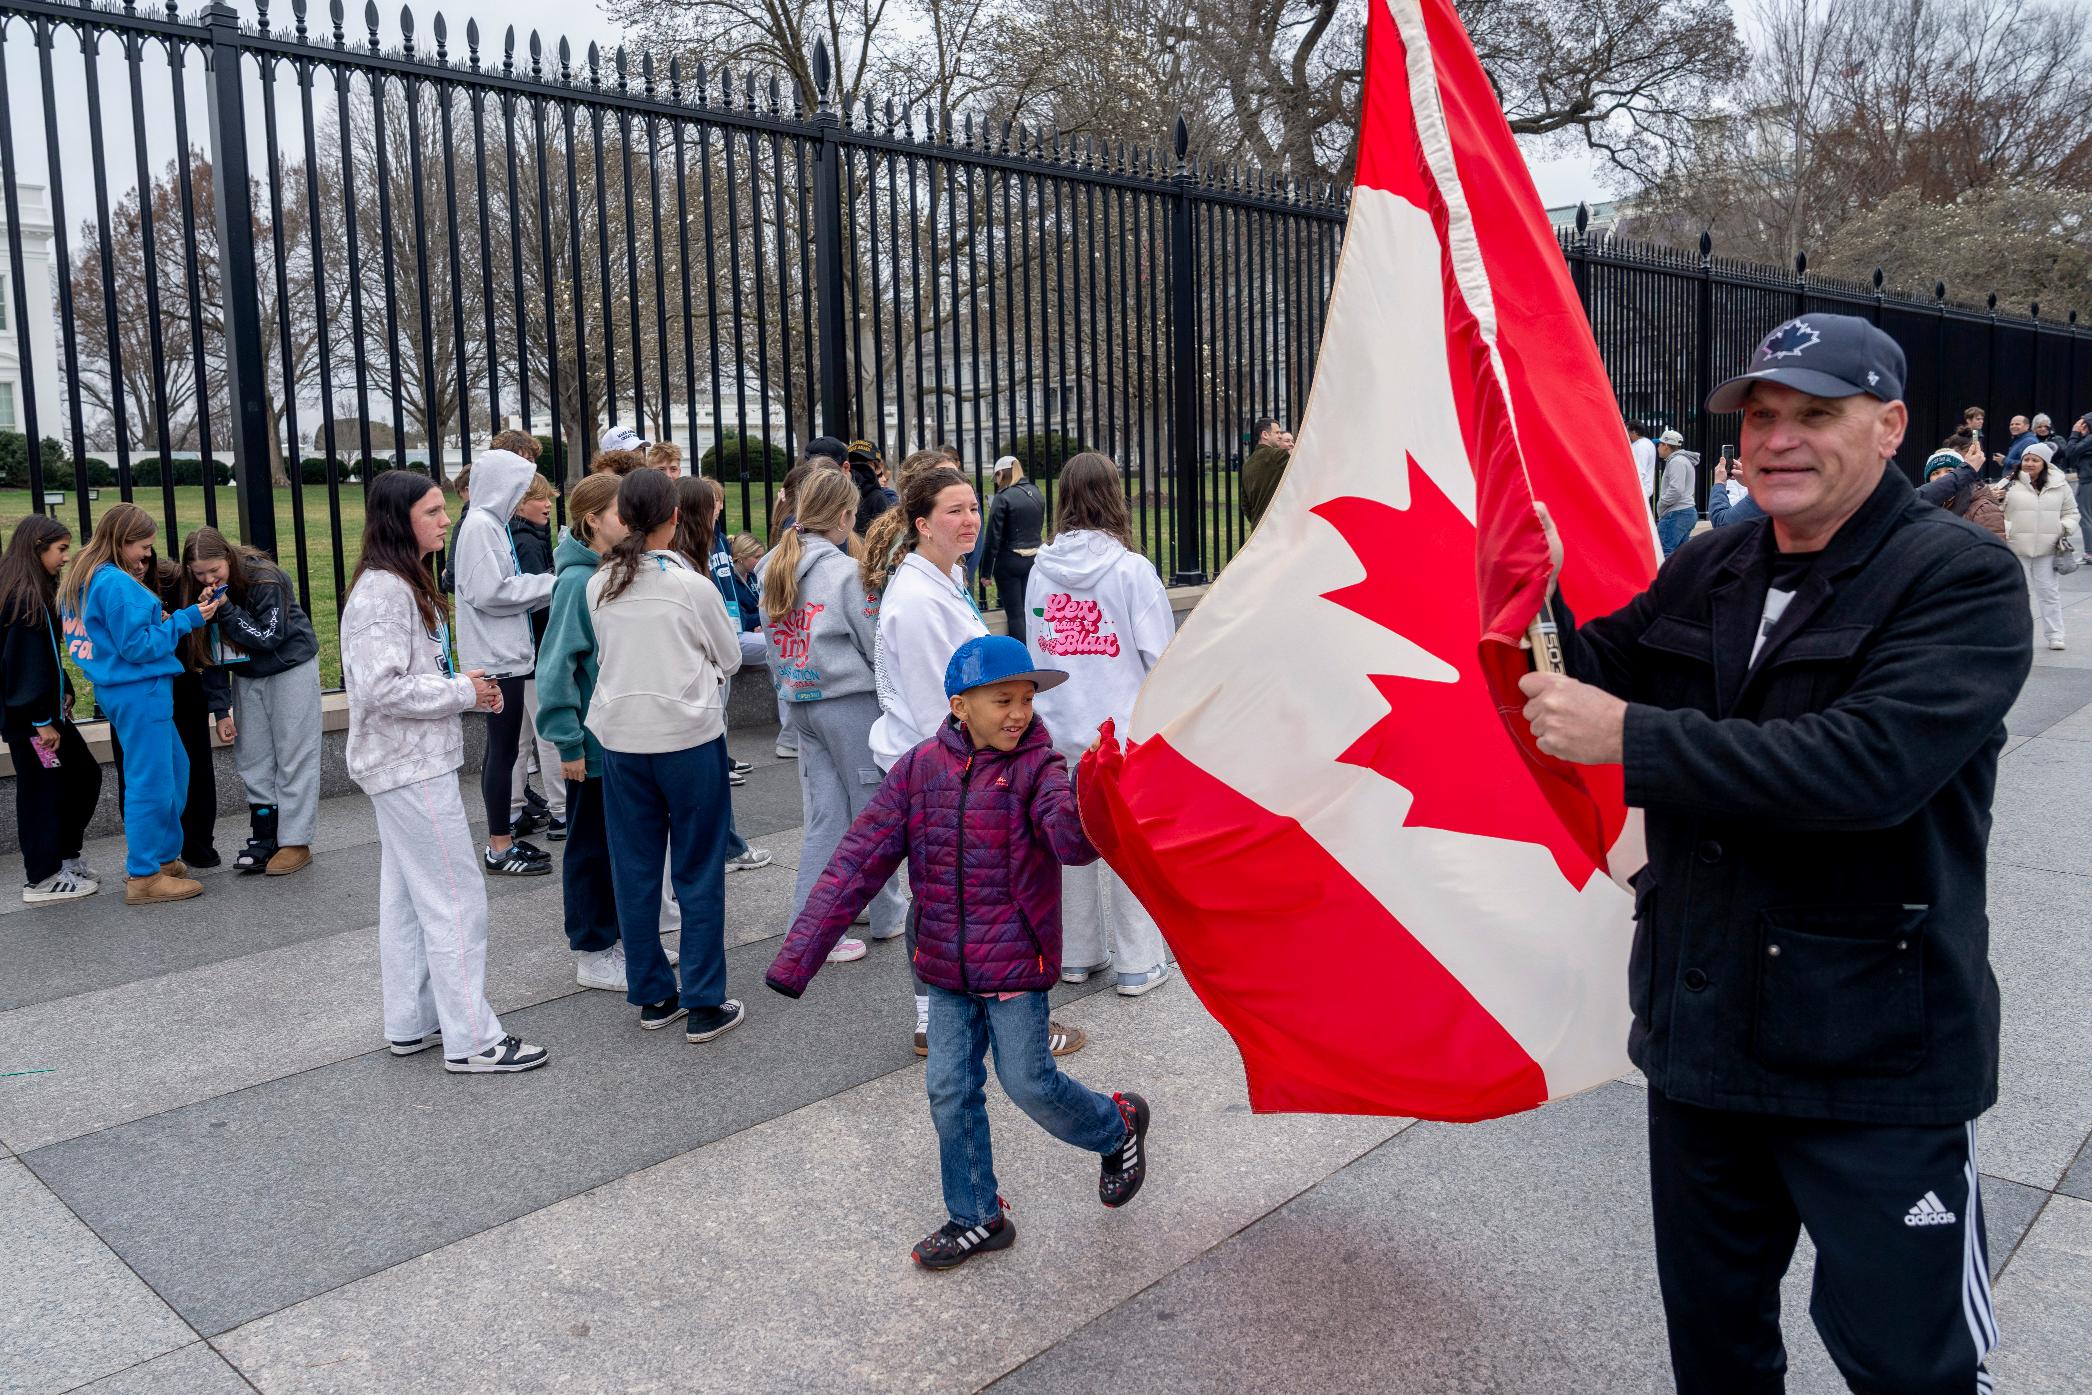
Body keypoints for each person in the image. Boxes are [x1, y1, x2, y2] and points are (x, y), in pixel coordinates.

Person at [1519, 311, 2024, 1395]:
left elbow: (1866, 769)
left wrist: (1632, 741)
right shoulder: (1716, 559)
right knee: (1717, 1354)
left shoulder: (1960, 576)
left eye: (1814, 414)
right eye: (1758, 416)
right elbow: (1601, 666)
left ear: (1889, 426)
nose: (1776, 439)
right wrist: (1533, 596)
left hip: (1872, 1056)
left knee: (1914, 1367)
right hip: (1702, 1044)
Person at [766, 634, 1151, 1270]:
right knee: (949, 1090)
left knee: (1028, 1082)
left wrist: (1095, 795)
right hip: (944, 967)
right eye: (1004, 700)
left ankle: (1117, 1127)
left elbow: (1071, 843)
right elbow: (857, 861)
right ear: (959, 705)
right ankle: (977, 1216)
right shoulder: (919, 770)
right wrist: (797, 957)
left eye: (1027, 699)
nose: (1020, 713)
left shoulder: (1041, 768)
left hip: (1014, 965)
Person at [865, 465, 1088, 1058]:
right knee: (945, 896)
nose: (969, 521)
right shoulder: (913, 601)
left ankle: (975, 1018)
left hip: (971, 761)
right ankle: (936, 1019)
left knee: (972, 895)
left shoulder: (946, 576)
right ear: (921, 523)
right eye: (954, 512)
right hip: (942, 769)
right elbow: (927, 703)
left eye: (972, 508)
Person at [341, 470, 549, 1074]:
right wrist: (465, 690)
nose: (444, 519)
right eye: (431, 511)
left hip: (405, 760)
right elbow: (382, 688)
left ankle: (413, 1021)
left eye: (441, 508)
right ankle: (473, 1038)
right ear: (398, 521)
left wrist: (458, 690)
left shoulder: (396, 584)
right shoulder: (384, 592)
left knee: (408, 898)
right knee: (456, 898)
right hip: (408, 764)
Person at [587, 468, 748, 1043]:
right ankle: (704, 998)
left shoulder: (599, 584)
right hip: (687, 737)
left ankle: (653, 993)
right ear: (675, 517)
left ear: (624, 518)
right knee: (698, 867)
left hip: (622, 740)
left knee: (634, 868)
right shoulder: (691, 586)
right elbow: (729, 656)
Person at [1026, 453, 1177, 996]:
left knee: (1071, 840)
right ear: (1115, 495)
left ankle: (1077, 953)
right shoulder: (1132, 571)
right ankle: (1139, 962)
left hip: (1058, 725)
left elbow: (1037, 648)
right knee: (1126, 844)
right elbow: (1160, 655)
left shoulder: (1039, 572)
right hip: (1119, 731)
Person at [761, 466, 903, 965]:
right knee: (873, 816)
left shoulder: (774, 564)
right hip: (849, 705)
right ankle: (886, 914)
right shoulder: (845, 575)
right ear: (845, 517)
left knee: (828, 815)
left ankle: (812, 922)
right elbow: (875, 648)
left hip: (801, 701)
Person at [57, 504, 221, 905]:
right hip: (140, 689)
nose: (147, 554)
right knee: (152, 782)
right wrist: (184, 619)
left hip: (121, 689)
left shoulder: (86, 574)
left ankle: (163, 858)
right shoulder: (115, 583)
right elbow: (138, 647)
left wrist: (157, 622)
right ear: (121, 541)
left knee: (174, 769)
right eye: (142, 546)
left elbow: (112, 636)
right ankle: (144, 874)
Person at [533, 471, 656, 993]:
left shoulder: (610, 572)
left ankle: (620, 939)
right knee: (589, 848)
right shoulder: (575, 583)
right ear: (592, 520)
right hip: (593, 745)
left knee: (621, 845)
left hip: (622, 737)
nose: (631, 523)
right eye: (620, 514)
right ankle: (592, 948)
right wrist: (567, 739)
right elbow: (555, 666)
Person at [178, 527, 322, 876]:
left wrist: (225, 609)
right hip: (247, 674)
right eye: (200, 574)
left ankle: (295, 840)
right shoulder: (198, 591)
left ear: (228, 558)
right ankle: (264, 836)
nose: (209, 579)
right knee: (253, 755)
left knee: (294, 753)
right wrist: (219, 708)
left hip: (290, 666)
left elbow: (268, 637)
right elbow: (209, 653)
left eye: (215, 570)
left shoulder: (266, 579)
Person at [452, 447, 557, 876]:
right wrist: (551, 583)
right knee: (502, 752)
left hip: (505, 654)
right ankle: (499, 846)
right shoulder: (480, 525)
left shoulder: (489, 523)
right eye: (517, 486)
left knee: (506, 749)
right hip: (495, 658)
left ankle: (504, 838)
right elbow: (489, 592)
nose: (522, 495)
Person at [1, 516, 102, 903]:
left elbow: (40, 659)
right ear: (38, 547)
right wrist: (42, 720)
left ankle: (62, 858)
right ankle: (42, 878)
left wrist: (61, 692)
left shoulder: (27, 589)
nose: (66, 557)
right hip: (34, 723)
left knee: (81, 776)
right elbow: (25, 665)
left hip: (42, 716)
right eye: (61, 549)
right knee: (41, 790)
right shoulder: (24, 596)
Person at [505, 469, 564, 841]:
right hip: (536, 649)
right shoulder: (526, 541)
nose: (548, 504)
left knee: (520, 739)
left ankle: (511, 811)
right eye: (539, 498)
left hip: (522, 652)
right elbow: (536, 599)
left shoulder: (519, 536)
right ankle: (562, 811)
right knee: (549, 735)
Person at [2001, 439, 2079, 651]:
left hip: (2048, 548)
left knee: (2049, 593)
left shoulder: (2060, 485)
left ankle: (2056, 634)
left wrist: (2062, 528)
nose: (2029, 463)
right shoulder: (2009, 482)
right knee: (2018, 595)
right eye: (2026, 459)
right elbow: (1994, 510)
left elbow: (2072, 513)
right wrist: (2007, 529)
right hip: (2016, 548)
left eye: (2035, 460)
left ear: (2045, 463)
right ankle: (2016, 636)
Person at [976, 454, 1046, 645]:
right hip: (1033, 559)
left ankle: (1022, 659)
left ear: (1000, 474)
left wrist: (985, 572)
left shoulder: (1003, 497)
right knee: (1030, 611)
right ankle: (1036, 650)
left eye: (996, 478)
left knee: (1015, 614)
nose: (996, 483)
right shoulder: (1035, 491)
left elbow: (993, 538)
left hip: (1009, 562)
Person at [1919, 431, 2006, 542]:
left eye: (1950, 471)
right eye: (1935, 473)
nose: (1942, 477)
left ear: (1962, 475)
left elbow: (1993, 555)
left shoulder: (1983, 509)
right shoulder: (1925, 507)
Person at [1239, 417, 1295, 529]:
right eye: (1277, 432)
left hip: (1258, 528)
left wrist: (1257, 520)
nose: (1280, 436)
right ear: (1265, 434)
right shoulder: (1275, 456)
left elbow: (1245, 504)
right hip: (1277, 527)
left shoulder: (1247, 464)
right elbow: (1300, 453)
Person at [1653, 429, 1699, 556]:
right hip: (1685, 512)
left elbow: (1676, 489)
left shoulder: (1676, 461)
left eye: (1660, 444)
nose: (1658, 448)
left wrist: (1661, 503)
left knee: (1663, 553)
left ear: (1666, 446)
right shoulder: (1683, 460)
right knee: (1679, 556)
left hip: (1676, 513)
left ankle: (1665, 577)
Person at [849, 438, 898, 536]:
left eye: (864, 463)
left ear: (877, 467)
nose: (857, 467)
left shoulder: (879, 497)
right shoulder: (878, 497)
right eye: (853, 461)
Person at [1628, 420, 1657, 507]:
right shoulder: (1647, 443)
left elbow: (1639, 471)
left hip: (1638, 492)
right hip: (1642, 491)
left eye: (1627, 431)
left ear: (1634, 432)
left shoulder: (1640, 446)